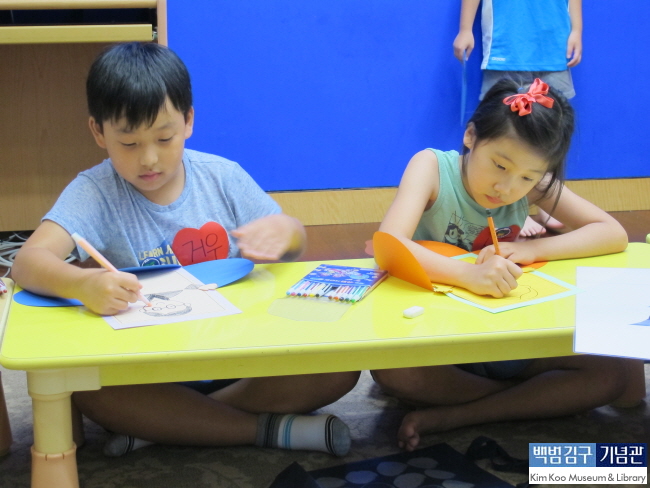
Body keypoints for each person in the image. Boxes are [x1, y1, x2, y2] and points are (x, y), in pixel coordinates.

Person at [12, 42, 359, 458]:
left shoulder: (222, 176)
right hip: (149, 370)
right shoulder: (95, 190)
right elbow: (26, 262)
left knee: (340, 367)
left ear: (189, 120)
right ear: (98, 132)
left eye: (164, 138)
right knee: (90, 390)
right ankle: (261, 429)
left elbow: (293, 238)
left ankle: (170, 425)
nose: (149, 159)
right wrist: (82, 284)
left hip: (240, 359)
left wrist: (285, 233)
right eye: (129, 144)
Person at [371, 78, 645, 452]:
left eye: (527, 177)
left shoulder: (534, 184)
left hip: (507, 338)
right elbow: (389, 244)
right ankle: (525, 399)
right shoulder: (432, 167)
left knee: (609, 375)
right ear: (470, 136)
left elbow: (611, 233)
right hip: (439, 339)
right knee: (392, 371)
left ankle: (460, 414)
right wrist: (468, 274)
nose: (507, 188)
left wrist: (533, 249)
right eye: (499, 165)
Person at [453, 0, 583, 237]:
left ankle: (544, 202)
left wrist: (576, 30)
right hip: (507, 46)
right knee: (504, 135)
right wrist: (465, 29)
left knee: (547, 133)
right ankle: (509, 213)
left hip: (553, 45)